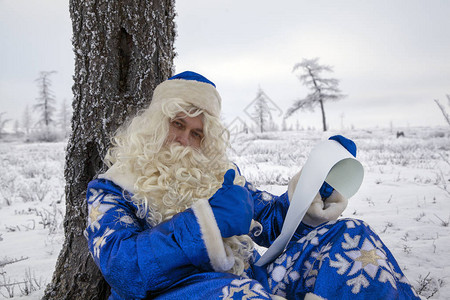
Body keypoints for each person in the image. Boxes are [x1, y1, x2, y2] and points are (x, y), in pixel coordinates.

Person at [84, 71, 420, 299]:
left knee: (352, 238)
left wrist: (316, 187)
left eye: (197, 133)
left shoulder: (218, 177)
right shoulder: (111, 189)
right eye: (177, 124)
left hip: (244, 280)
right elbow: (122, 268)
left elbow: (271, 223)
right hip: (170, 291)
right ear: (155, 125)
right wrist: (207, 223)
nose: (184, 140)